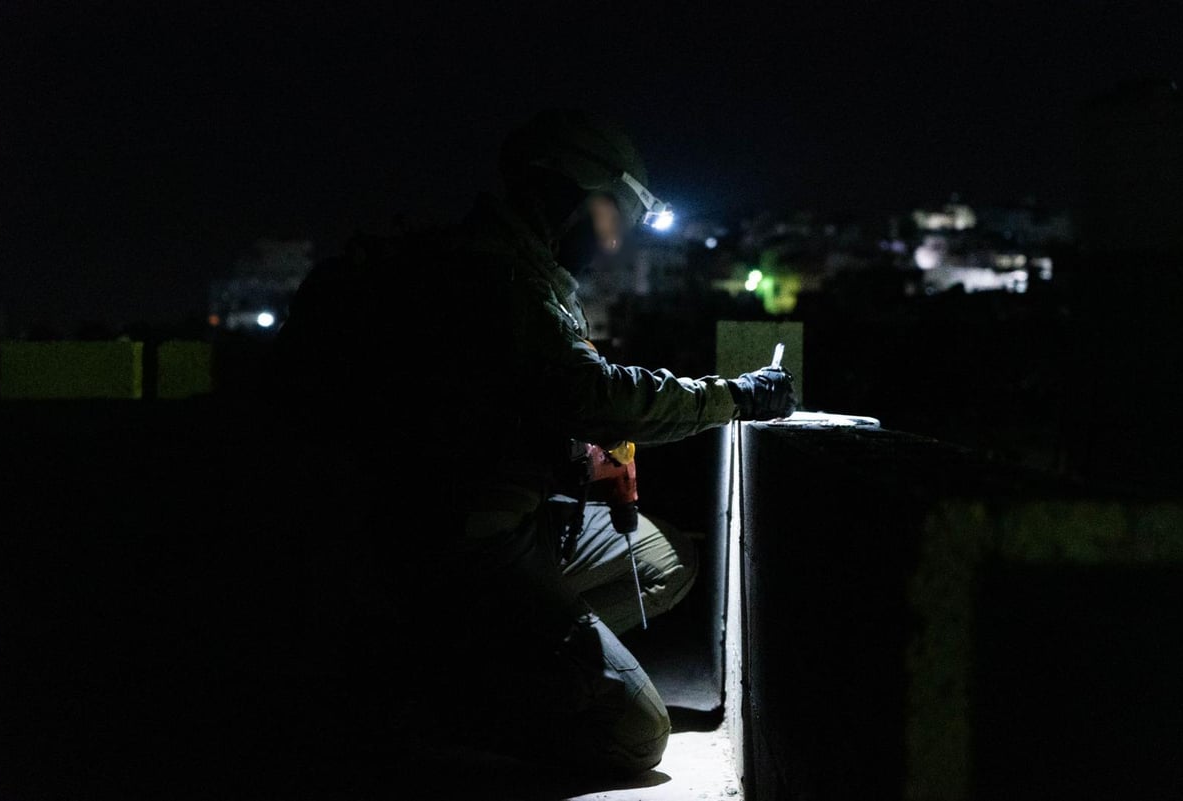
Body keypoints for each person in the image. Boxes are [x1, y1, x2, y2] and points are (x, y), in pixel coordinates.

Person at [269, 108, 796, 787]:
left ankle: (490, 658)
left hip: (517, 518)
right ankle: (436, 691)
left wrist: (575, 456)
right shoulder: (498, 278)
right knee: (638, 736)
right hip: (462, 541)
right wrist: (738, 396)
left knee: (664, 559)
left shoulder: (520, 271)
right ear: (570, 192)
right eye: (611, 216)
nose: (610, 240)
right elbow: (598, 394)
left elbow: (512, 401)